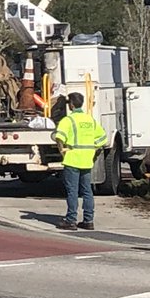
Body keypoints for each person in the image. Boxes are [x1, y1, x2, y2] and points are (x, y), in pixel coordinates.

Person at [52, 91, 107, 231]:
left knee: (72, 191)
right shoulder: (90, 120)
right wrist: (94, 152)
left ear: (71, 104)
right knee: (87, 191)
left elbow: (59, 137)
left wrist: (61, 150)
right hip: (87, 160)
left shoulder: (68, 120)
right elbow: (102, 139)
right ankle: (88, 221)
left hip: (72, 159)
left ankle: (71, 220)